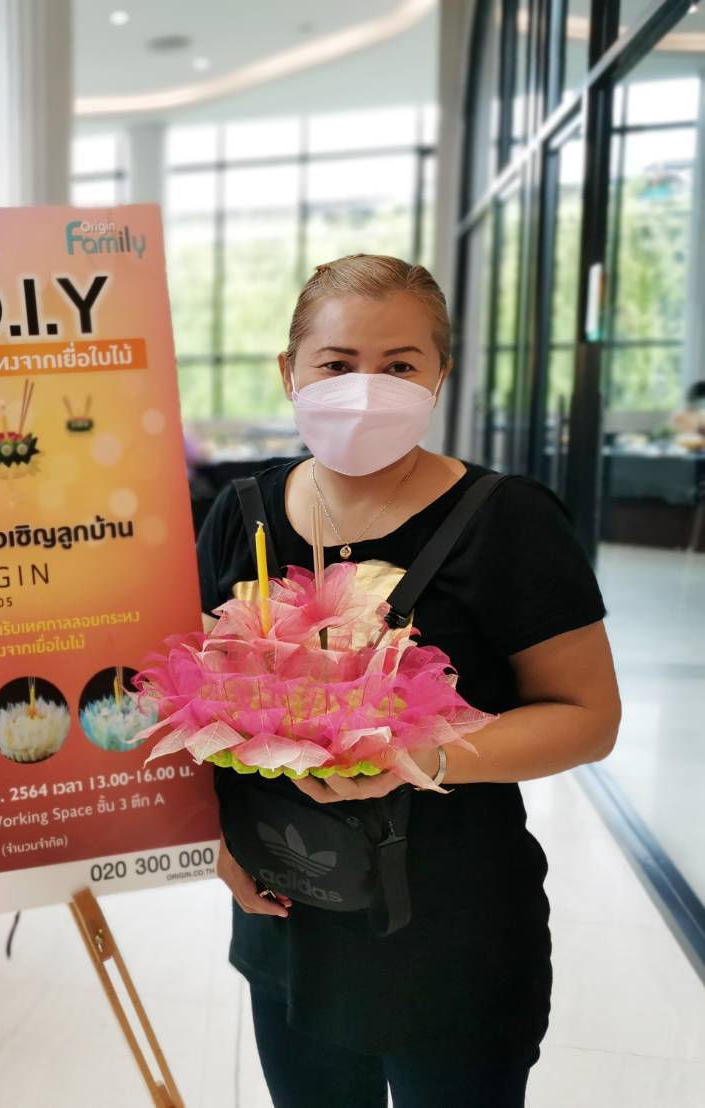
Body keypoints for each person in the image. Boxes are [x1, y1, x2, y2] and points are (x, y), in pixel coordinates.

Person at [196, 255, 621, 1108]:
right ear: (288, 371)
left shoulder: (507, 522)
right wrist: (215, 840)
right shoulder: (242, 513)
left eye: (397, 366)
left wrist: (418, 752)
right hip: (290, 906)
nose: (364, 390)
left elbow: (587, 717)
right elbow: (200, 697)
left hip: (453, 930)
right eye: (336, 363)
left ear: (438, 377)